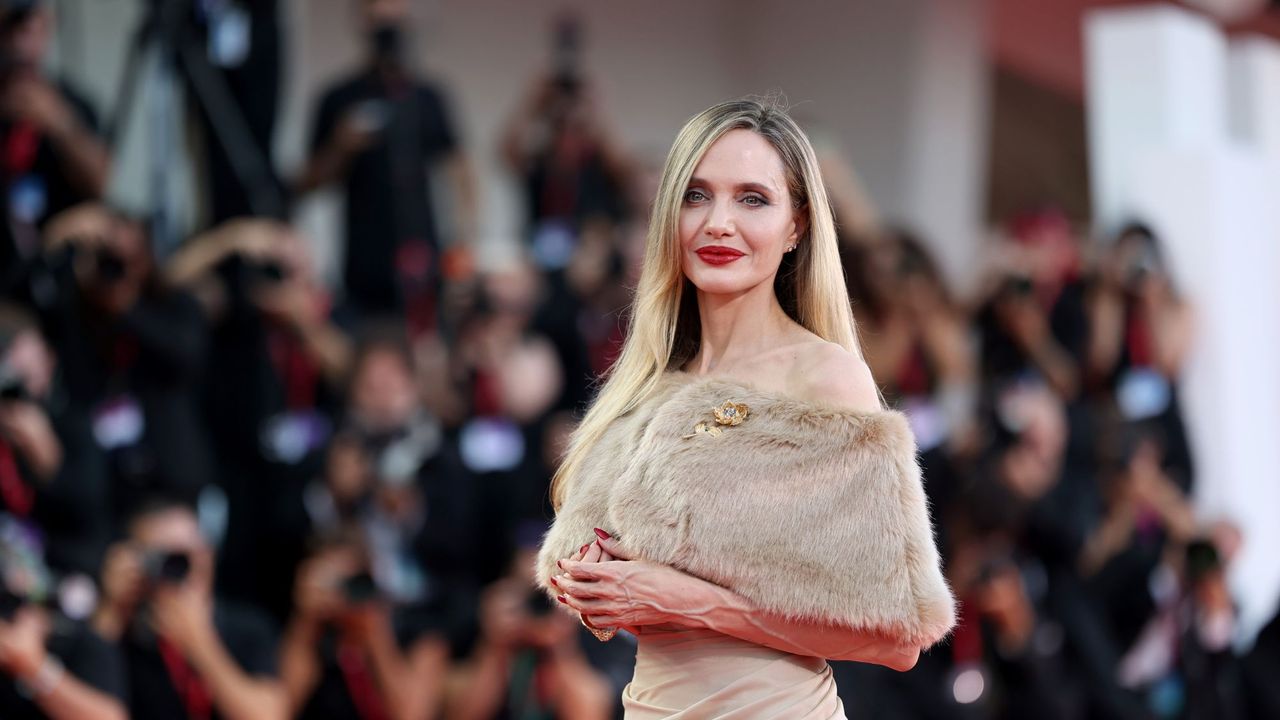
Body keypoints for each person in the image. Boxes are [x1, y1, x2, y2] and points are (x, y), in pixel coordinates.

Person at [538, 98, 955, 717]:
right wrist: (603, 586)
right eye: (697, 196)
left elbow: (896, 638)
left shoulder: (826, 380)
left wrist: (682, 599)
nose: (719, 224)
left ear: (797, 226)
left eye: (752, 199)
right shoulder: (645, 386)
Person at [295, 0, 475, 324]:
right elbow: (306, 184)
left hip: (425, 265)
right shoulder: (338, 97)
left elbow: (461, 175)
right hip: (363, 270)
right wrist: (340, 145)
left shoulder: (428, 97)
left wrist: (461, 251)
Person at [92, 498, 286, 720]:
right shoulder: (126, 635)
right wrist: (111, 609)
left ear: (209, 556)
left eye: (190, 554)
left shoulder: (248, 628)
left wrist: (200, 644)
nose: (182, 569)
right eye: (167, 558)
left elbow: (269, 716)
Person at [0, 0, 110, 296]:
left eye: (30, 24)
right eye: (11, 25)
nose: (20, 39)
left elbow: (100, 180)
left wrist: (58, 122)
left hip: (63, 275)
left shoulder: (71, 105)